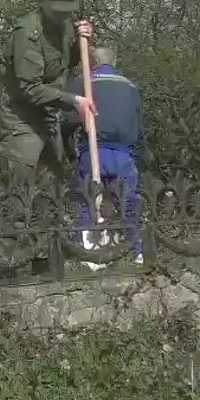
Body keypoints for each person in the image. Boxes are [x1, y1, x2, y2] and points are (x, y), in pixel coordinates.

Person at [0, 0, 97, 184]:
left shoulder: (69, 26)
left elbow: (66, 65)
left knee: (52, 190)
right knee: (20, 190)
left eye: (67, 10)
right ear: (44, 2)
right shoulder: (28, 33)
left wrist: (85, 42)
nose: (62, 16)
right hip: (23, 120)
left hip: (50, 118)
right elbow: (30, 88)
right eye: (58, 10)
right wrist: (74, 101)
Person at [64, 45, 146, 263]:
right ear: (115, 61)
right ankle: (137, 250)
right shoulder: (130, 86)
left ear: (93, 62)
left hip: (93, 150)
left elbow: (69, 118)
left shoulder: (84, 82)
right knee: (129, 199)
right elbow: (139, 127)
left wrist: (70, 147)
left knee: (88, 198)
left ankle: (89, 252)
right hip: (124, 153)